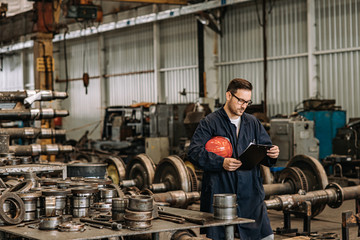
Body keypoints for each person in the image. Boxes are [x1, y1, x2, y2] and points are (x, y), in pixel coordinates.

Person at [188, 78, 280, 240]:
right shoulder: (210, 123)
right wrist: (220, 162)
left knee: (265, 237)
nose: (244, 106)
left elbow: (265, 149)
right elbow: (194, 152)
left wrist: (272, 154)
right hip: (221, 194)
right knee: (223, 236)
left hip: (251, 193)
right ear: (228, 95)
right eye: (241, 100)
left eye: (247, 102)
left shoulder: (253, 123)